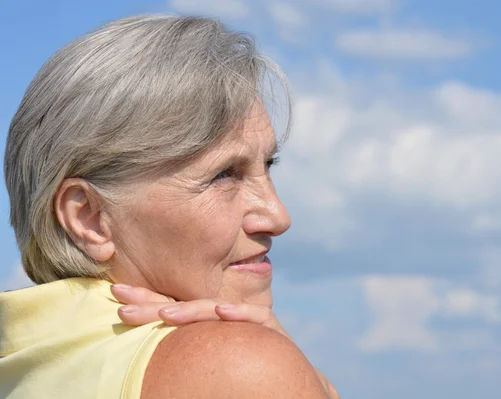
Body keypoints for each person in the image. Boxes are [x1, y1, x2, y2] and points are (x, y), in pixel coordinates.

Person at [0, 14, 339, 398]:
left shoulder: (20, 363)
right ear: (88, 217)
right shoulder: (237, 368)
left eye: (268, 165)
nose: (278, 217)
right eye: (225, 174)